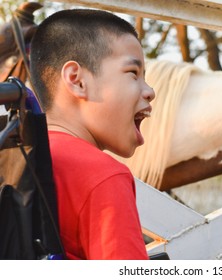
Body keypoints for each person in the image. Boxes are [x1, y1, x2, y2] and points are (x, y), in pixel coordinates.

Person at [29, 9, 155, 260]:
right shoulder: (103, 175)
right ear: (77, 80)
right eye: (133, 73)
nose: (150, 91)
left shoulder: (19, 155)